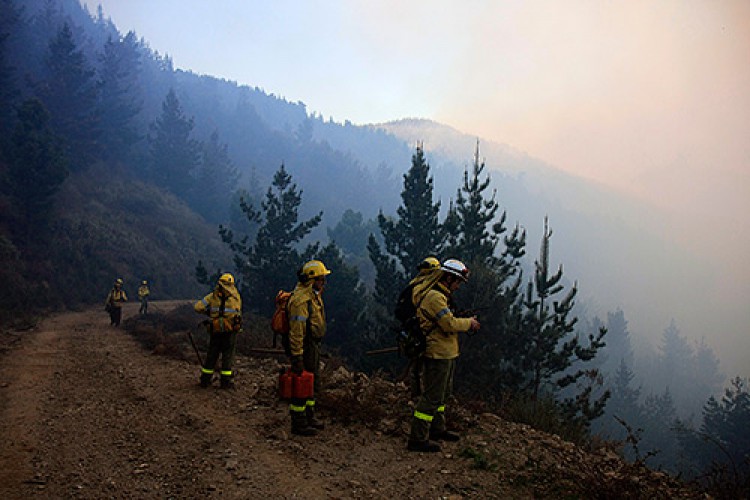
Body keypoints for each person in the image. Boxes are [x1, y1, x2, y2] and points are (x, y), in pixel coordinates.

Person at [407, 259, 480, 453]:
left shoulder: (441, 296)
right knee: (431, 397)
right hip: (437, 353)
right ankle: (417, 438)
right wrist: (469, 323)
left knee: (442, 395)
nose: (457, 287)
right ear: (448, 278)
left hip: (446, 352)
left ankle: (437, 429)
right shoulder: (434, 297)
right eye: (457, 282)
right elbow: (448, 324)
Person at [287, 259, 331, 436]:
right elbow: (297, 332)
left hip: (312, 344)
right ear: (312, 279)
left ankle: (309, 416)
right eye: (321, 278)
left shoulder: (312, 296)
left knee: (312, 382)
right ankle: (299, 422)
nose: (324, 282)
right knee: (302, 384)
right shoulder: (300, 301)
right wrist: (297, 356)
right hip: (304, 346)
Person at [398, 256, 441, 400]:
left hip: (415, 334)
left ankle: (417, 396)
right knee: (426, 369)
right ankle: (423, 398)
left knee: (417, 368)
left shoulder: (412, 287)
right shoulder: (428, 290)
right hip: (424, 335)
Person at [194, 273, 242, 389]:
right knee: (227, 357)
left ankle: (205, 380)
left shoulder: (212, 296)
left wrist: (209, 313)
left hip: (215, 330)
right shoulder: (235, 297)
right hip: (230, 331)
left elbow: (198, 307)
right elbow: (238, 314)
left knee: (212, 355)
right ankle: (225, 382)